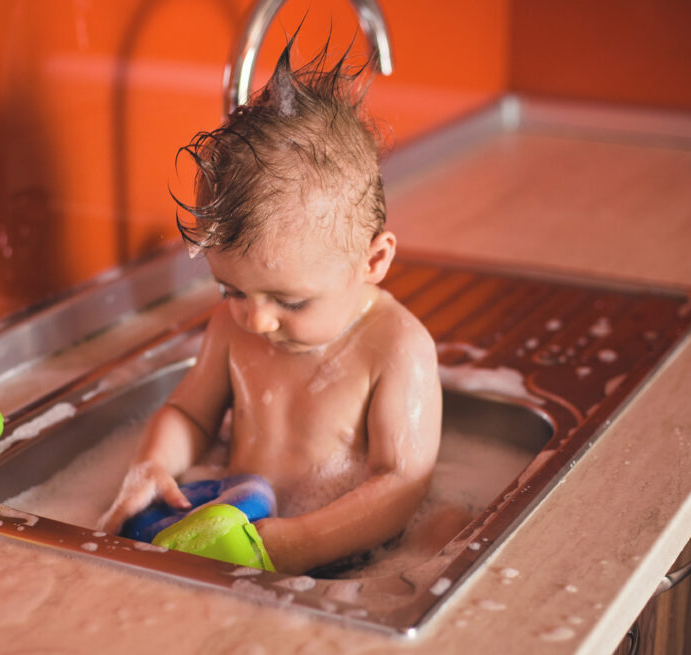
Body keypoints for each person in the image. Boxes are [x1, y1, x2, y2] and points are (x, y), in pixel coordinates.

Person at [99, 39, 442, 574]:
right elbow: (190, 414)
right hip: (240, 528)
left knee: (444, 540)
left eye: (290, 300)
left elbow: (401, 483)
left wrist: (301, 542)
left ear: (373, 261)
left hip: (343, 555)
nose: (255, 319)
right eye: (230, 290)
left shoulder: (396, 347)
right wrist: (152, 465)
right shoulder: (231, 327)